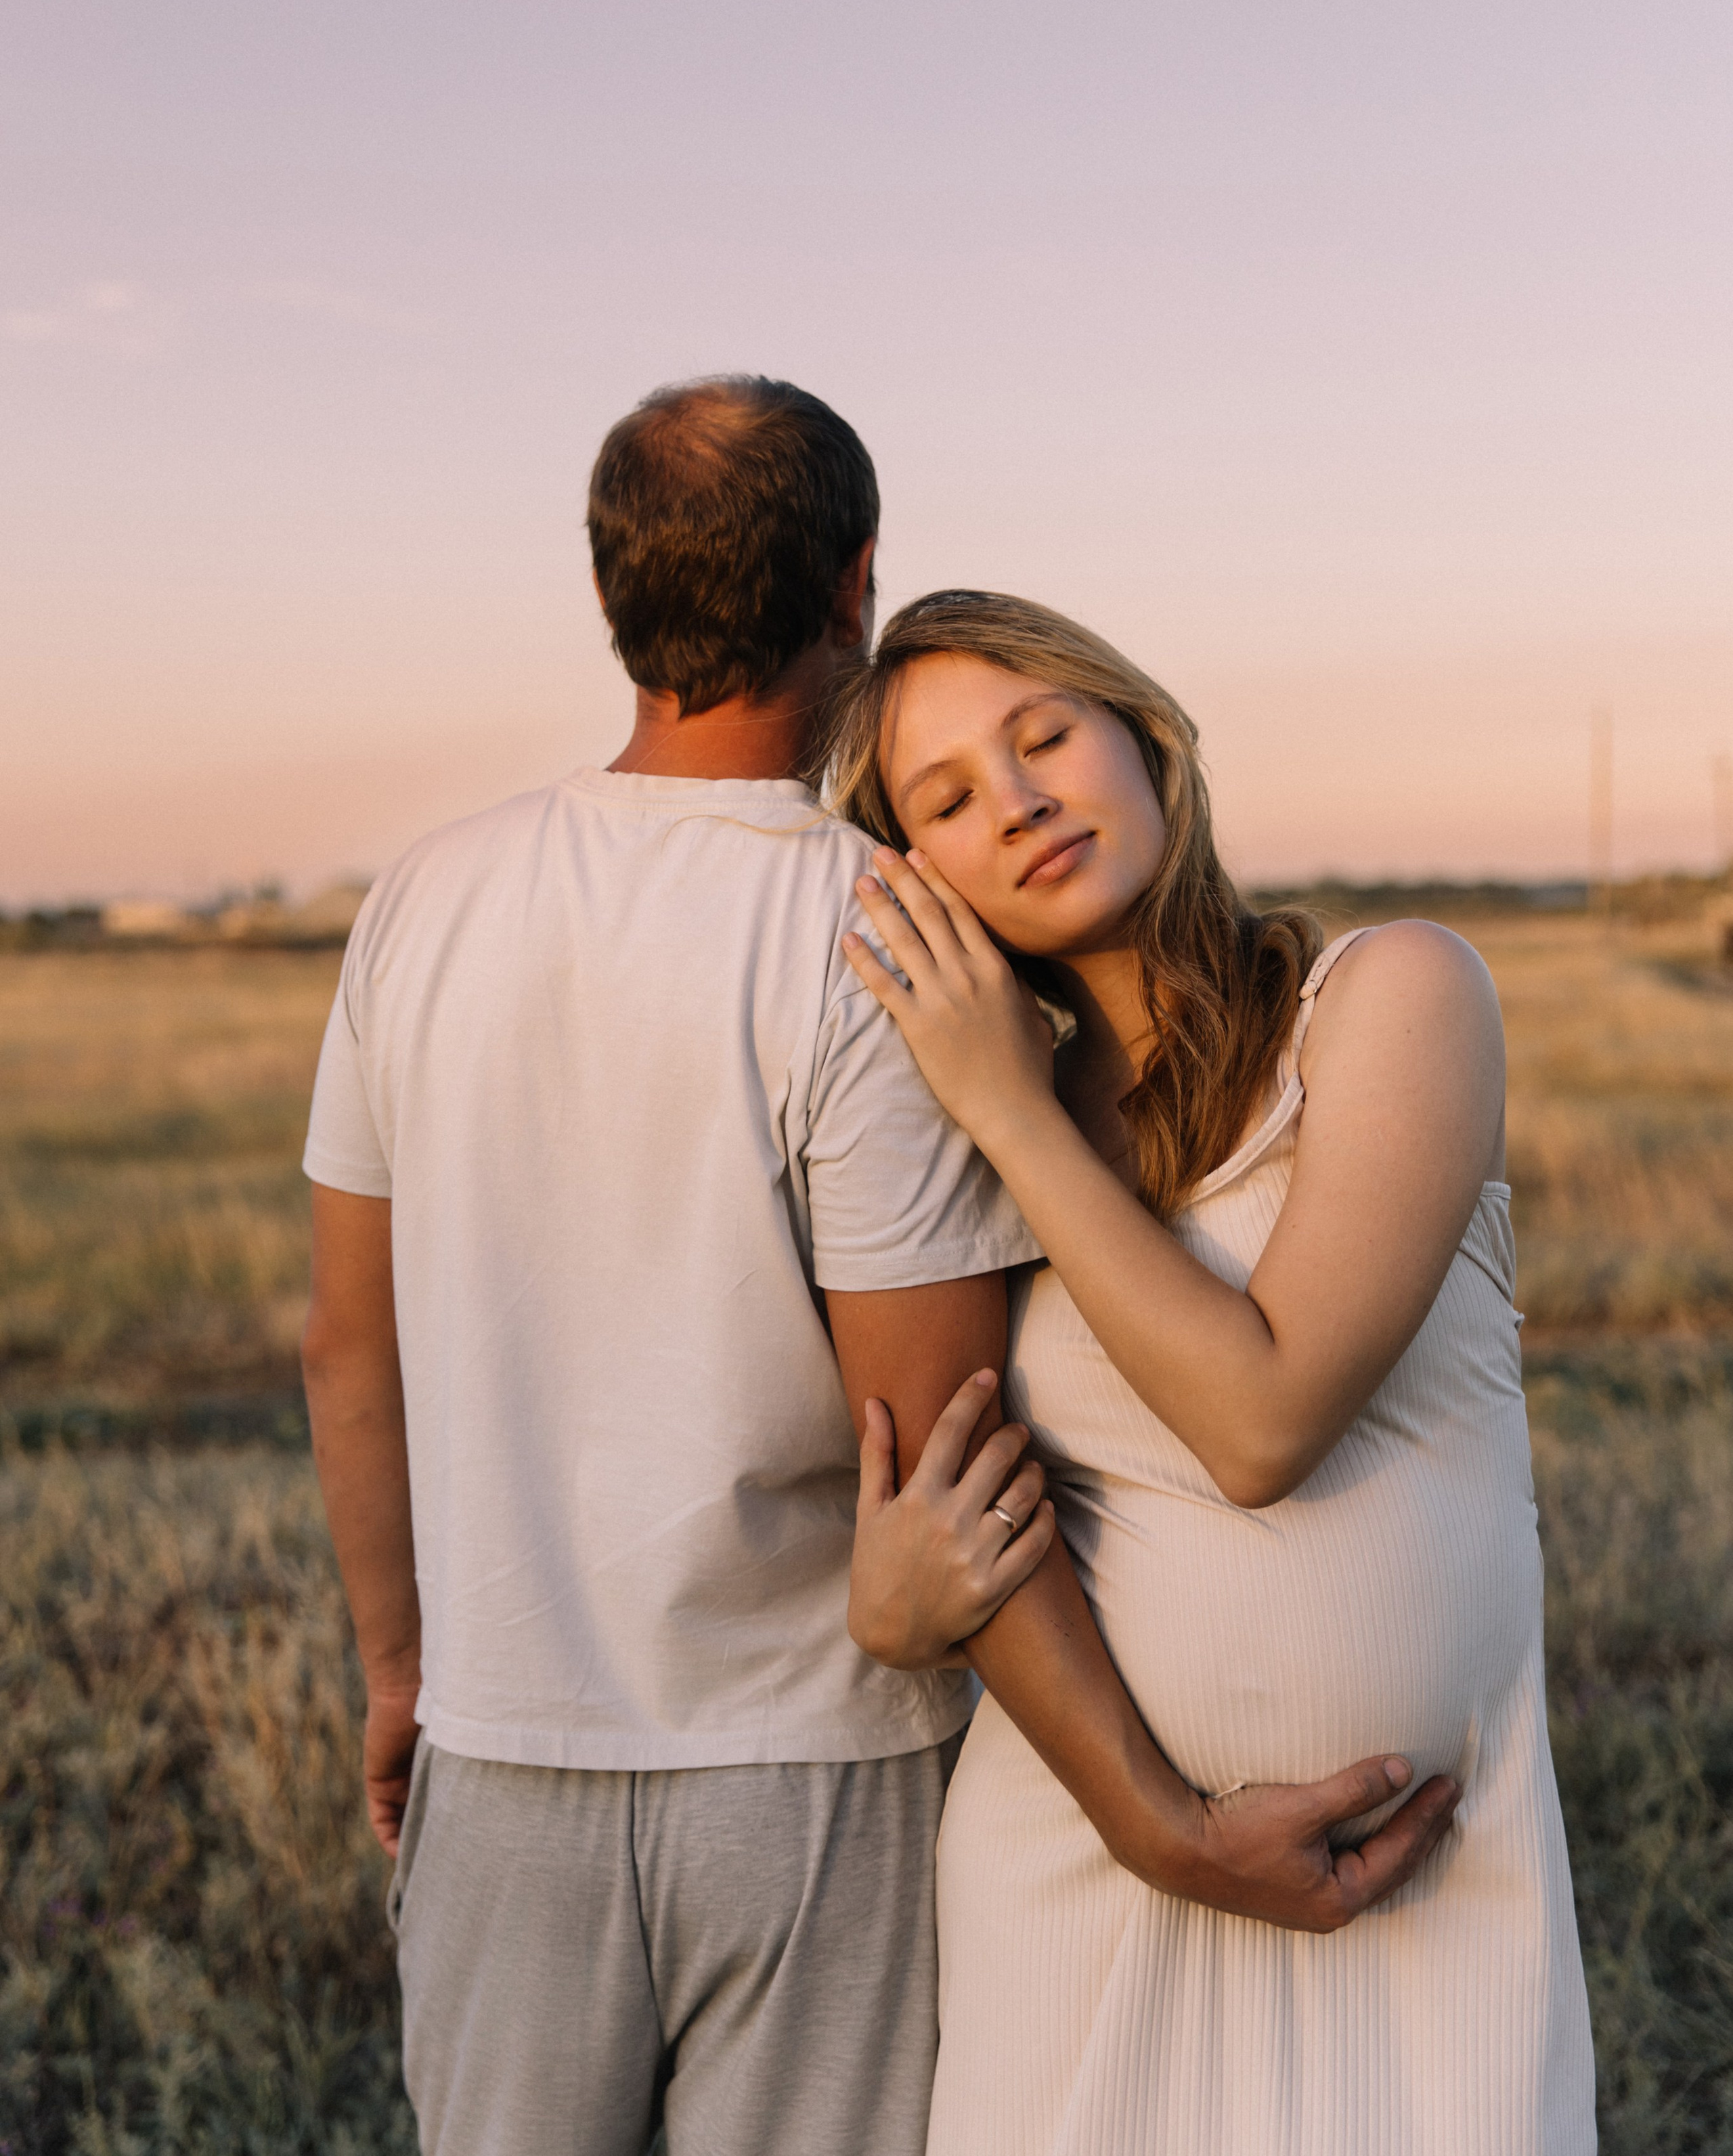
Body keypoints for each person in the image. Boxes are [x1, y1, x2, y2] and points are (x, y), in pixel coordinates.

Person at [300, 390, 1458, 2156]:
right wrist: (1153, 1816)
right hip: (812, 1778)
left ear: (614, 594)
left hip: (499, 1758)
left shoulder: (422, 900)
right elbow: (942, 1458)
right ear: (857, 586)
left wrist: (400, 1673)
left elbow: (345, 1349)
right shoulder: (871, 931)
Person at [827, 588, 1596, 2156]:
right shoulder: (969, 1133)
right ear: (915, 877)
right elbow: (936, 1520)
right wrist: (886, 1605)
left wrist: (1006, 1108)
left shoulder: (1389, 997)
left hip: (1421, 1891)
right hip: (1081, 1893)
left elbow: (1262, 1420)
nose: (1020, 800)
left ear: (1148, 743)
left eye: (1043, 735)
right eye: (950, 798)